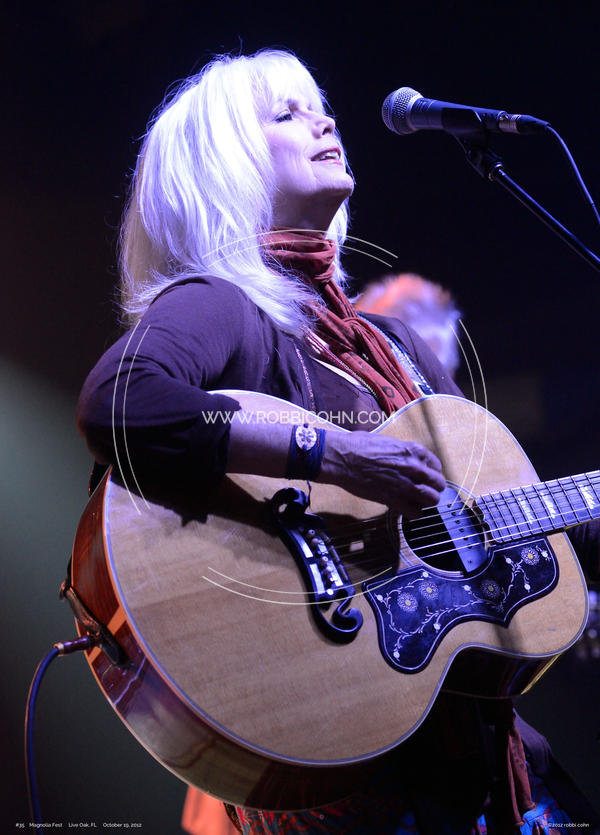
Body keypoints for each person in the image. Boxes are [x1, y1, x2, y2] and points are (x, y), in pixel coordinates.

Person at [76, 49, 600, 834]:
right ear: (224, 163)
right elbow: (120, 403)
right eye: (286, 113)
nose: (324, 121)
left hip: (486, 769)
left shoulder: (394, 347)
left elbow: (505, 524)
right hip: (359, 789)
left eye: (320, 106)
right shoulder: (222, 305)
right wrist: (338, 455)